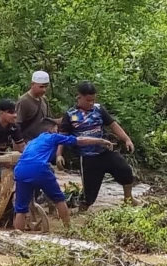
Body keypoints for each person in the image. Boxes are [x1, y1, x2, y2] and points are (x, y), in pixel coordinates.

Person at [13, 119, 114, 231]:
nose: (58, 131)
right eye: (57, 129)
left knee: (20, 208)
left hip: (20, 169)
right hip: (39, 168)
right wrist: (100, 141)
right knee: (59, 199)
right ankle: (68, 229)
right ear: (51, 129)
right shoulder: (53, 137)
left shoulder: (32, 142)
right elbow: (79, 140)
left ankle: (18, 235)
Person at [56, 81, 136, 210]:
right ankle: (81, 212)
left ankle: (128, 198)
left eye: (93, 100)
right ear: (79, 97)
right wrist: (59, 154)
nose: (91, 103)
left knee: (125, 170)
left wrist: (127, 139)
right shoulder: (71, 115)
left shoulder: (99, 109)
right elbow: (62, 136)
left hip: (104, 151)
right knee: (89, 194)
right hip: (87, 157)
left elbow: (113, 125)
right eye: (88, 100)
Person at [16, 71, 60, 143]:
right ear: (32, 85)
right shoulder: (24, 101)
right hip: (28, 142)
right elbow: (17, 125)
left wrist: (54, 126)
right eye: (41, 87)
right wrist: (20, 143)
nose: (44, 89)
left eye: (46, 86)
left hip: (43, 141)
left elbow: (49, 119)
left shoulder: (44, 99)